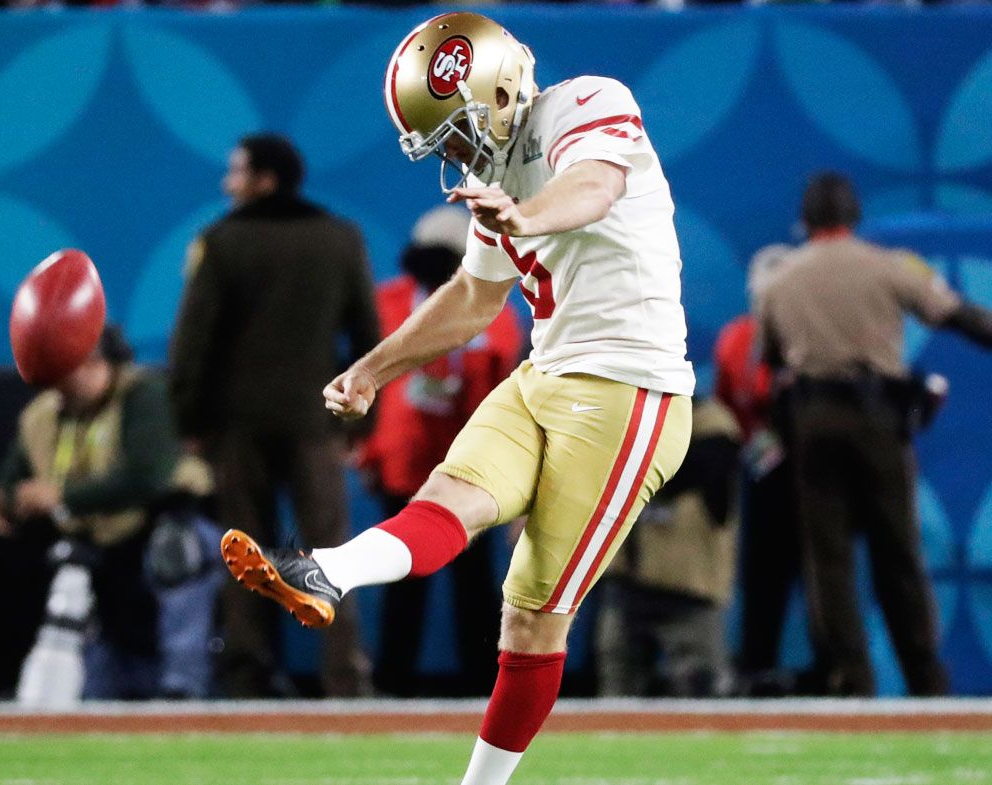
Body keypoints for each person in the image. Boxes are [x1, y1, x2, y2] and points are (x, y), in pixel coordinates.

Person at [220, 13, 693, 784]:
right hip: (546, 375)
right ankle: (328, 570)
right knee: (444, 497)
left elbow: (597, 185)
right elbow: (473, 297)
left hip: (629, 390)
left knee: (532, 617)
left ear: (501, 88)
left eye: (459, 128)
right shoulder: (499, 178)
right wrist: (373, 368)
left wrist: (527, 215)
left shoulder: (584, 103)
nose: (456, 151)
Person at [759, 172, 992, 696]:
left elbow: (771, 361)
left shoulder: (778, 281)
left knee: (829, 562)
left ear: (806, 222)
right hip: (876, 420)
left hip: (813, 422)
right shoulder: (890, 268)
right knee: (898, 553)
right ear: (853, 218)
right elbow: (964, 318)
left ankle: (853, 682)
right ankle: (926, 684)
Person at [169, 133, 378, 698]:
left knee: (246, 557)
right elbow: (367, 335)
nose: (227, 183)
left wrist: (188, 420)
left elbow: (193, 342)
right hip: (317, 426)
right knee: (335, 554)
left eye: (236, 172)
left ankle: (248, 680)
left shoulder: (220, 242)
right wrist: (359, 424)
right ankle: (345, 681)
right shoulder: (340, 239)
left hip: (236, 429)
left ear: (265, 180)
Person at [0, 325, 221, 699]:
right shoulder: (44, 414)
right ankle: (81, 689)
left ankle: (184, 684)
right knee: (68, 564)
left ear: (103, 363)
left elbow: (147, 478)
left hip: (159, 529)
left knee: (179, 549)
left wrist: (62, 496)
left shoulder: (143, 395)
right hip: (97, 550)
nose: (71, 377)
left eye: (84, 364)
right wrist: (5, 500)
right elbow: (8, 485)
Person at [360, 205, 522, 697]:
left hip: (469, 467)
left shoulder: (495, 311)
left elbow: (506, 389)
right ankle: (392, 685)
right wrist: (370, 454)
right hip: (404, 461)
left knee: (474, 584)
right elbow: (369, 379)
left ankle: (479, 684)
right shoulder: (387, 302)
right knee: (400, 576)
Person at [593, 397, 741, 698]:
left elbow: (696, 468)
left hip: (688, 587)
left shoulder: (712, 422)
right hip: (625, 583)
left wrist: (635, 457)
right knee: (617, 690)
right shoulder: (616, 414)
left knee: (703, 692)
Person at [714, 245, 808, 692]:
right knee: (760, 572)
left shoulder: (815, 335)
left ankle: (834, 668)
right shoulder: (735, 339)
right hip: (761, 471)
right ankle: (755, 665)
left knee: (820, 573)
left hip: (814, 471)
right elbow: (731, 406)